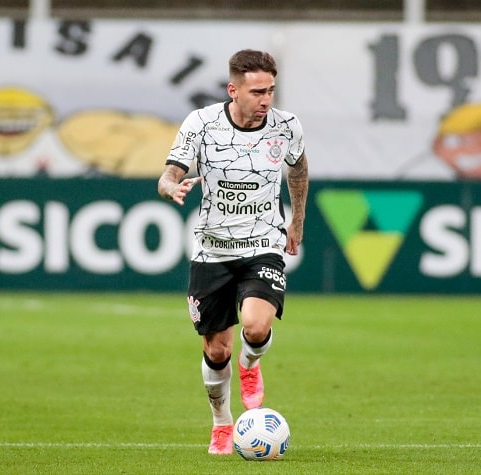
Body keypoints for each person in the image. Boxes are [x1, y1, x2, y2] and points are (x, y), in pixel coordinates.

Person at [157, 49, 309, 455]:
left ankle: (251, 363)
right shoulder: (201, 123)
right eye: (257, 91)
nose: (266, 100)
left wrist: (296, 221)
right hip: (211, 252)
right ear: (233, 89)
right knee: (215, 348)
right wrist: (172, 185)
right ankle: (222, 422)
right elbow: (169, 172)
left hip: (263, 245)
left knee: (256, 327)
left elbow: (298, 168)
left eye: (271, 90)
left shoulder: (286, 126)